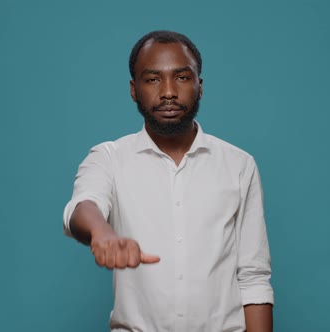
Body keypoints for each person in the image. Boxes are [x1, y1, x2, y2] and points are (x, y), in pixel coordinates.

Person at [63, 30, 274, 331]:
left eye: (182, 78)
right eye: (152, 79)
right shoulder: (109, 158)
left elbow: (253, 277)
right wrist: (101, 234)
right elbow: (82, 206)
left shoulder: (239, 165)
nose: (168, 92)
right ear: (134, 90)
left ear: (200, 86)